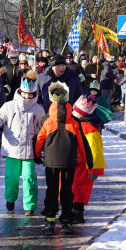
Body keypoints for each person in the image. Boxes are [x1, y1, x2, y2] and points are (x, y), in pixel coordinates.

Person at [0, 70, 45, 215]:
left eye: (30, 94)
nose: (27, 96)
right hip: (12, 148)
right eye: (24, 93)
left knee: (29, 178)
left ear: (34, 94)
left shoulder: (38, 109)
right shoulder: (9, 106)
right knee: (11, 177)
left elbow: (43, 127)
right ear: (20, 92)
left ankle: (29, 205)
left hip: (29, 149)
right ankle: (10, 199)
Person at [34, 82, 93, 236]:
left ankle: (49, 220)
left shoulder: (48, 121)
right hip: (69, 161)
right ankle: (66, 221)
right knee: (67, 192)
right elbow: (82, 143)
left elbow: (39, 139)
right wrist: (89, 160)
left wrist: (36, 154)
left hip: (51, 161)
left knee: (51, 191)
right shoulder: (74, 122)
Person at [70, 96, 106, 224]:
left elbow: (95, 150)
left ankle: (77, 213)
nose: (72, 113)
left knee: (80, 189)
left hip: (83, 166)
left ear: (82, 114)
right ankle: (71, 211)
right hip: (72, 164)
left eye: (75, 112)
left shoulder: (89, 130)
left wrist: (94, 169)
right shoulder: (74, 124)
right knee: (72, 188)